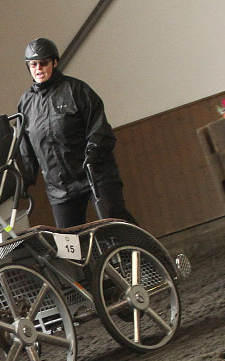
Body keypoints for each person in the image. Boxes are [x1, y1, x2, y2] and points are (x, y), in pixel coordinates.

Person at [18, 37, 138, 228]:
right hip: (60, 187)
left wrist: (93, 153)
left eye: (43, 63)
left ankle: (151, 254)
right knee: (69, 244)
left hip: (94, 174)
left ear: (55, 63)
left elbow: (100, 129)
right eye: (33, 64)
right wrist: (21, 182)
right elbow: (26, 151)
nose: (38, 69)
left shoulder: (76, 90)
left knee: (117, 224)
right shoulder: (26, 104)